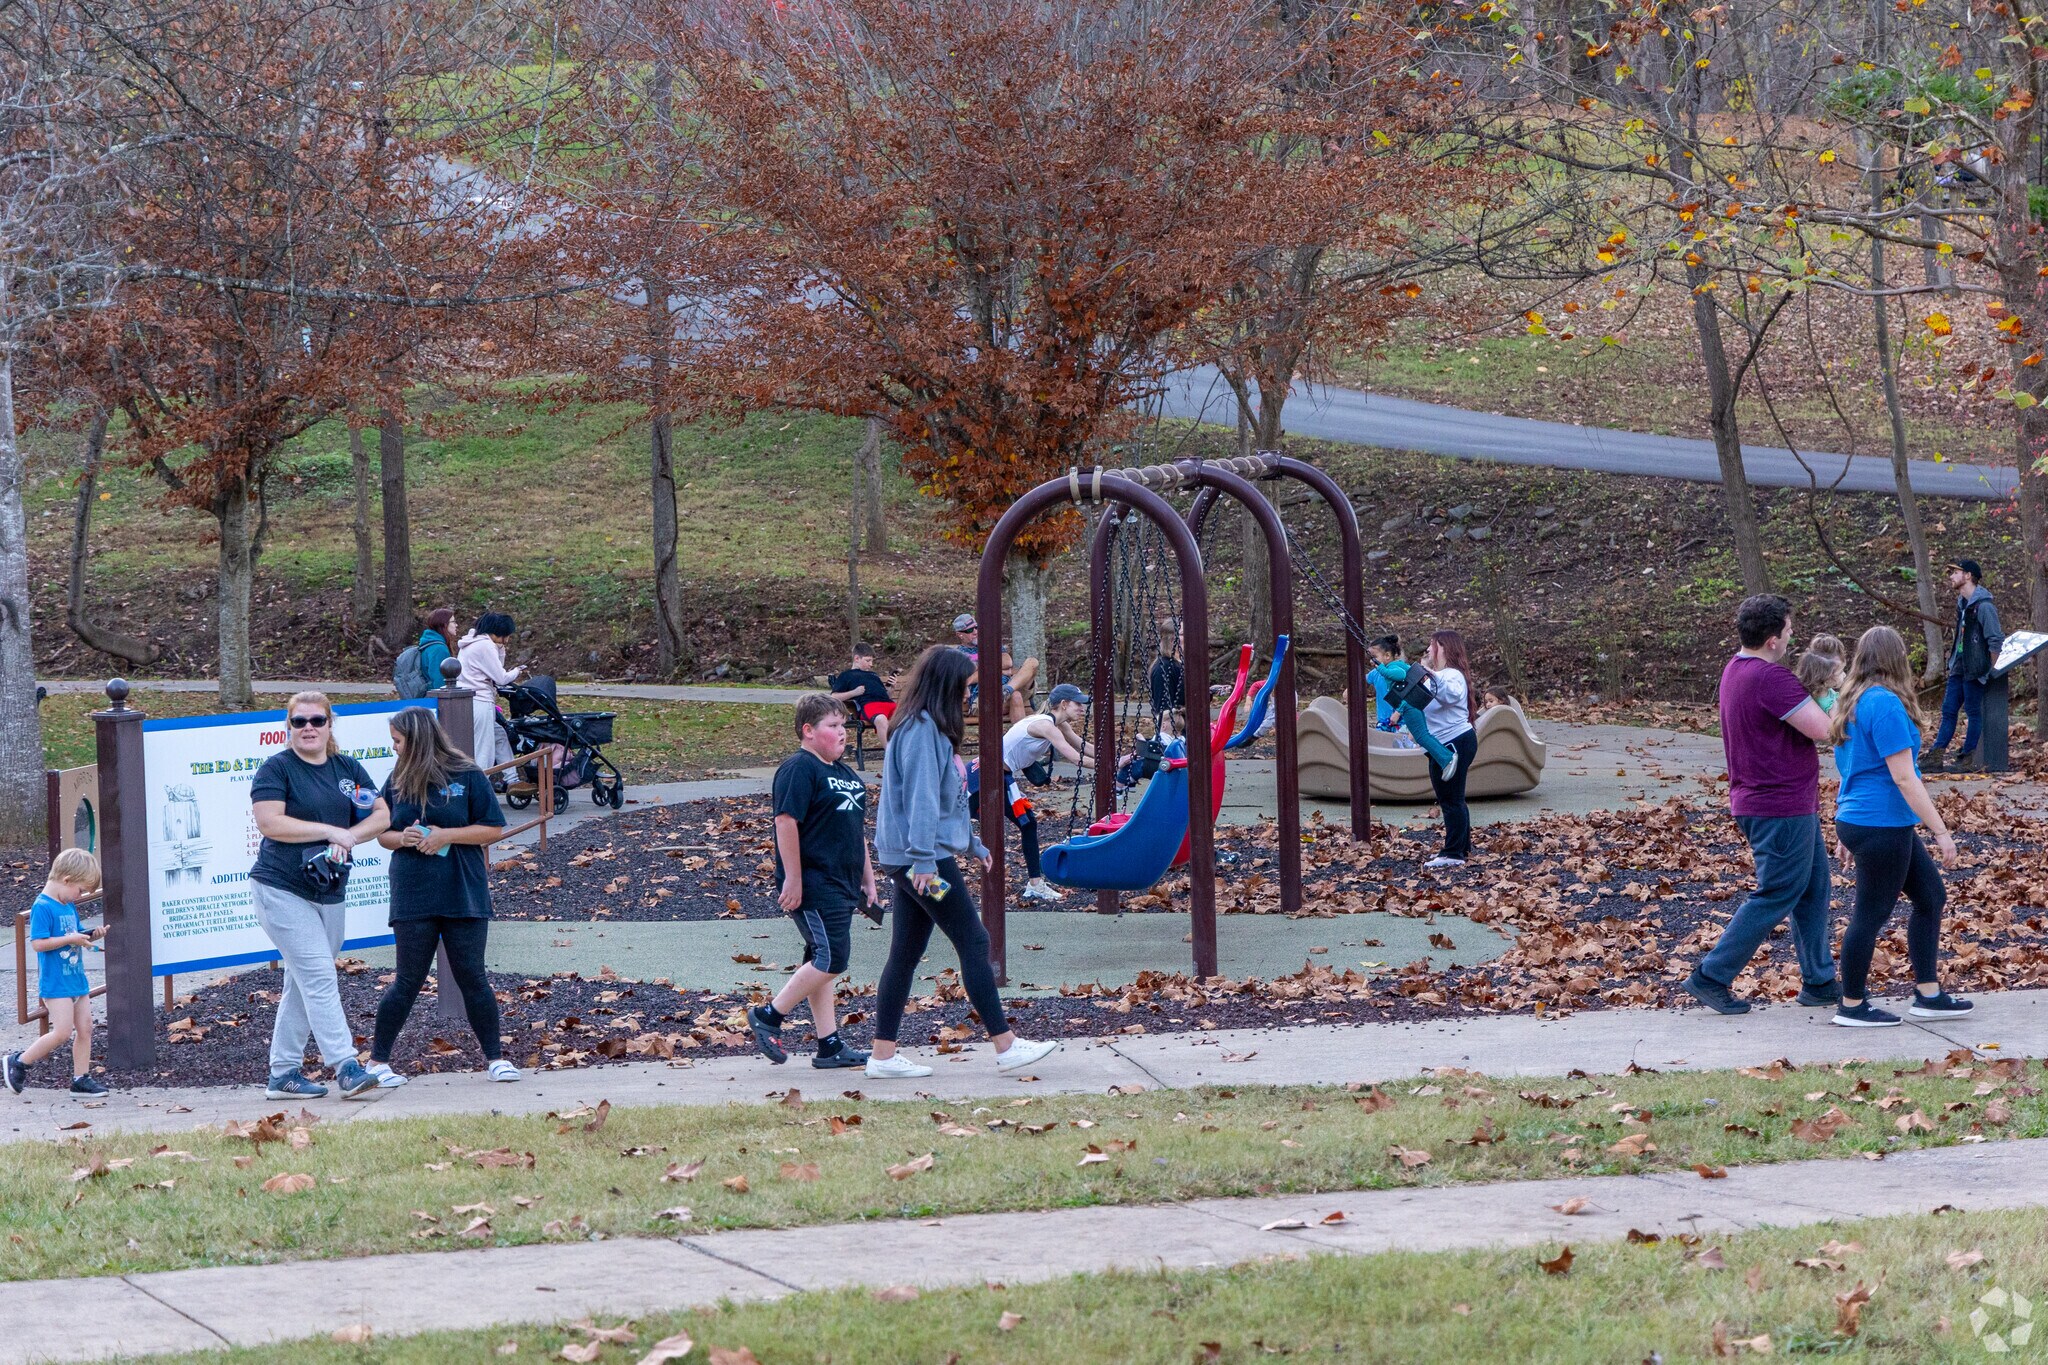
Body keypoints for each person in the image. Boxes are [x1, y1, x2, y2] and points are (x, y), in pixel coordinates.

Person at [868, 645, 1060, 1080]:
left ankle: (882, 1055)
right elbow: (917, 801)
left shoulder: (925, 726)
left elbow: (941, 801)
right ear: (945, 687)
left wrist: (970, 842)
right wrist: (923, 863)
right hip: (922, 863)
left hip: (916, 858)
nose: (968, 698)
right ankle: (1005, 1045)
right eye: (966, 689)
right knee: (974, 941)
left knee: (906, 951)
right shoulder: (919, 731)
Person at [1680, 595, 1839, 1016]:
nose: (1791, 636)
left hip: (1772, 800)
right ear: (1772, 639)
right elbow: (1825, 730)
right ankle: (1712, 975)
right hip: (1778, 804)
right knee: (1777, 893)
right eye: (1788, 630)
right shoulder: (1771, 679)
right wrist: (1843, 694)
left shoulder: (1735, 670)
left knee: (1813, 889)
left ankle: (1820, 981)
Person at [249, 691, 390, 1099]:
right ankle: (346, 1067)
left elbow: (381, 815)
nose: (308, 728)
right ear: (288, 727)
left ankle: (283, 1074)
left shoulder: (347, 767)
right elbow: (271, 823)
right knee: (319, 976)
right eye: (299, 722)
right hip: (280, 888)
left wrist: (350, 836)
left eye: (317, 721)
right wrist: (329, 831)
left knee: (303, 979)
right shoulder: (277, 769)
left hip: (329, 890)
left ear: (330, 725)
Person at [1828, 625, 1972, 1027]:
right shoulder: (1884, 704)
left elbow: (1848, 768)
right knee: (1869, 914)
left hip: (1864, 819)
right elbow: (1905, 778)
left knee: (1930, 896)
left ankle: (1928, 994)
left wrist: (1844, 826)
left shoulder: (1851, 701)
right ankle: (1852, 1006)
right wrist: (1941, 831)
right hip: (1880, 822)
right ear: (1897, 660)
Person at [367, 707, 516, 1086]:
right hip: (413, 893)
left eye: (398, 741)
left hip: (462, 890)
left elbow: (493, 829)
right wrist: (404, 838)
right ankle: (378, 1063)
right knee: (408, 980)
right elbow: (383, 833)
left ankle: (496, 1060)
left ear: (417, 739)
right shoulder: (397, 780)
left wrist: (446, 835)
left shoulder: (466, 774)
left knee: (472, 976)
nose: (394, 748)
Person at [748, 694, 879, 1070]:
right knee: (833, 958)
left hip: (844, 884)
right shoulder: (799, 769)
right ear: (808, 731)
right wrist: (793, 878)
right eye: (833, 726)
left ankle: (830, 1046)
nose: (842, 733)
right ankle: (769, 1016)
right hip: (815, 883)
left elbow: (856, 832)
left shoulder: (846, 774)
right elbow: (785, 821)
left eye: (843, 726)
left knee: (819, 959)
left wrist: (868, 880)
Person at [3, 849, 107, 1096]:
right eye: (80, 890)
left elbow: (75, 932)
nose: (79, 896)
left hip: (75, 978)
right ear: (67, 880)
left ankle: (80, 1078)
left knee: (86, 1028)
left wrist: (90, 934)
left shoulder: (67, 905)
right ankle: (19, 1061)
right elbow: (38, 944)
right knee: (62, 1032)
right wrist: (69, 938)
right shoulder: (43, 906)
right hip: (56, 982)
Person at [979, 682, 1094, 905]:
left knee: (1028, 823)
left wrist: (1116, 758)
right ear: (1063, 704)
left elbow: (1083, 746)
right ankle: (913, 866)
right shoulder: (1045, 725)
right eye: (1078, 704)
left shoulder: (1059, 725)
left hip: (1000, 776)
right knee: (953, 823)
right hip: (987, 776)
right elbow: (1073, 757)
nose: (1082, 708)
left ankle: (1034, 884)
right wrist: (1109, 766)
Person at [1408, 630, 1480, 869]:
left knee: (1450, 799)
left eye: (1432, 646)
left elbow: (1450, 695)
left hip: (1453, 743)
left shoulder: (1451, 675)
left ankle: (1453, 853)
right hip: (1449, 742)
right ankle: (1461, 847)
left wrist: (1428, 673)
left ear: (1443, 648)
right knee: (1453, 798)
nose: (1428, 650)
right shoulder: (1439, 676)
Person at [1927, 559, 2005, 771]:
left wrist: (1988, 669)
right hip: (1959, 666)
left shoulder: (1985, 606)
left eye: (1955, 572)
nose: (1951, 576)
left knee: (1972, 711)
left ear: (1968, 575)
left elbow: (1995, 640)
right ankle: (1936, 755)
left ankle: (1967, 758)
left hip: (1974, 668)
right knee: (1949, 710)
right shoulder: (1962, 604)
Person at [1369, 634, 1457, 773]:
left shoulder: (1394, 666)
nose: (1372, 662)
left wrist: (1380, 668)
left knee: (1421, 735)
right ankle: (1446, 757)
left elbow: (1400, 675)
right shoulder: (1396, 665)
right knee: (1422, 734)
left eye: (1375, 658)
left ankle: (1447, 758)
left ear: (1387, 656)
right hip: (1410, 704)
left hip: (1409, 705)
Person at [457, 612, 524, 776]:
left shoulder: (471, 644)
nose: (506, 640)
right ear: (496, 631)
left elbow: (494, 669)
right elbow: (501, 678)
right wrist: (517, 671)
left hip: (467, 701)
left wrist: (501, 651)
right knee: (483, 751)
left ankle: (512, 778)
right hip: (481, 701)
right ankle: (481, 790)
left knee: (499, 735)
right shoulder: (485, 646)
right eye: (505, 636)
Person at [953, 614, 1040, 723]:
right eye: (970, 630)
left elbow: (1007, 662)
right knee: (1016, 696)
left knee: (1032, 662)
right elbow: (968, 677)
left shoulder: (991, 644)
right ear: (960, 634)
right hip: (984, 698)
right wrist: (1001, 670)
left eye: (977, 627)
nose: (975, 631)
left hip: (1009, 688)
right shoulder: (958, 654)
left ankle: (1007, 690)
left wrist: (982, 667)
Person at [829, 643, 895, 744]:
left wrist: (891, 687)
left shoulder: (873, 675)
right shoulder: (847, 675)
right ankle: (891, 757)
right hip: (870, 706)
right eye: (868, 660)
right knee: (881, 719)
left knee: (913, 716)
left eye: (872, 661)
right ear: (856, 658)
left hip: (888, 704)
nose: (871, 664)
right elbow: (833, 697)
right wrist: (854, 692)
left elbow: (887, 696)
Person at [1148, 623, 1185, 737]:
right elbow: (1164, 710)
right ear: (1172, 639)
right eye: (1184, 633)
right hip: (1177, 733)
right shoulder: (1164, 668)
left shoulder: (1179, 664)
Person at [1794, 635, 1847, 713]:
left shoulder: (1823, 692)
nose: (1844, 675)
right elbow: (1839, 724)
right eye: (1840, 672)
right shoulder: (1830, 706)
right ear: (1826, 678)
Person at [418, 607, 458, 690]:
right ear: (444, 624)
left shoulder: (429, 643)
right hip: (437, 700)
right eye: (453, 622)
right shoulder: (439, 649)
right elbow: (440, 683)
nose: (456, 625)